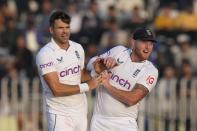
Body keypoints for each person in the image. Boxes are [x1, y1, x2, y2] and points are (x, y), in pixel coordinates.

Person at [36, 10, 101, 131]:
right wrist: (88, 86)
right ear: (51, 30)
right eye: (60, 28)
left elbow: (79, 76)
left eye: (67, 27)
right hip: (60, 114)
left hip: (80, 112)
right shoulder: (45, 54)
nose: (65, 31)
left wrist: (94, 72)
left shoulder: (78, 48)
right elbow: (56, 89)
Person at [87, 28, 159, 131]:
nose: (148, 47)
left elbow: (132, 99)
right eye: (144, 42)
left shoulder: (150, 70)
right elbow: (90, 64)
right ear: (133, 42)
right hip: (100, 120)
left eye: (151, 44)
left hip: (125, 123)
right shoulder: (119, 51)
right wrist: (102, 63)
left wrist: (108, 85)